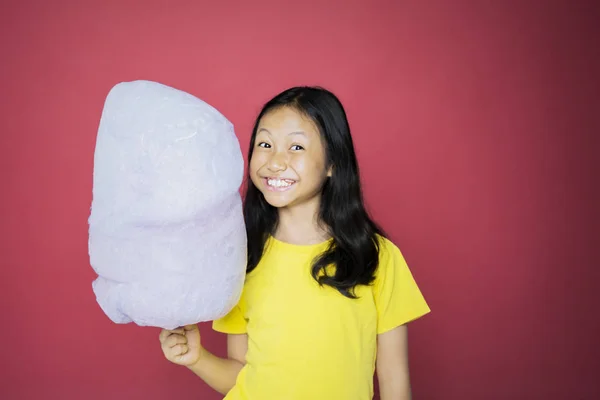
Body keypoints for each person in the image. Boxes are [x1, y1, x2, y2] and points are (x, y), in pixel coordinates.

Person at [158, 86, 430, 399]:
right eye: (265, 143)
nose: (275, 161)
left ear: (333, 164)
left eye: (296, 147)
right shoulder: (241, 258)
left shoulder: (375, 257)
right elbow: (242, 375)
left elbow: (395, 382)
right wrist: (197, 359)